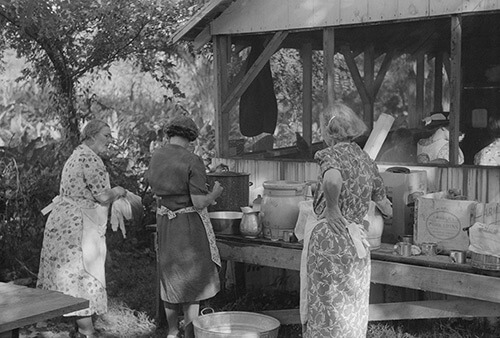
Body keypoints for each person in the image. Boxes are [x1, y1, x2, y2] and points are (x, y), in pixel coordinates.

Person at [302, 102, 392, 337]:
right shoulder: (365, 160)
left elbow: (332, 180)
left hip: (330, 237)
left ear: (328, 131)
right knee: (351, 303)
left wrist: (332, 208)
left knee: (327, 304)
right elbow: (386, 206)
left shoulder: (330, 155)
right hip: (355, 242)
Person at [37, 120, 127, 338]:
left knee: (71, 276)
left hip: (63, 221)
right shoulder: (89, 158)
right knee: (82, 276)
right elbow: (102, 195)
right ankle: (87, 331)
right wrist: (119, 190)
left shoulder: (78, 153)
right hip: (76, 224)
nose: (110, 140)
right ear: (92, 135)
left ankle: (77, 328)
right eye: (106, 135)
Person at [145, 115, 223, 338]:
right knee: (192, 279)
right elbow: (199, 202)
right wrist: (214, 193)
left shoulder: (156, 156)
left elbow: (154, 189)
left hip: (165, 221)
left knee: (170, 275)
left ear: (169, 134)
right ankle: (190, 333)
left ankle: (171, 332)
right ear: (191, 138)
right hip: (186, 224)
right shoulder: (192, 160)